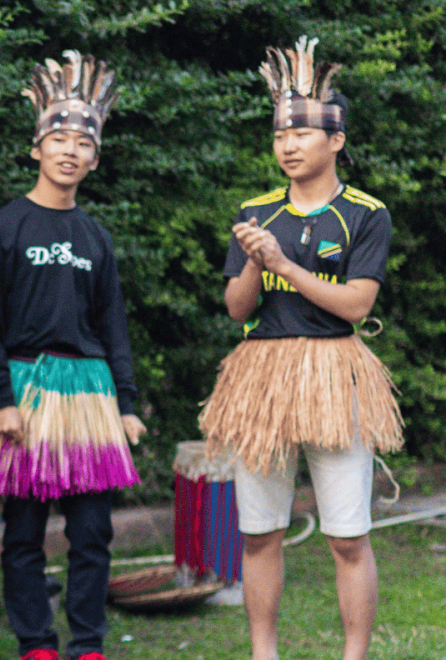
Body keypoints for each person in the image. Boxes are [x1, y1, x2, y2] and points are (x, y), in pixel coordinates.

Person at [200, 36, 401, 660]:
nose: (288, 145)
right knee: (259, 533)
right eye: (281, 134)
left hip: (334, 374)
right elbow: (237, 308)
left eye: (303, 134)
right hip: (262, 376)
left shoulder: (366, 214)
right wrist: (258, 262)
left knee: (347, 535)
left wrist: (282, 259)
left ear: (335, 140)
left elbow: (356, 305)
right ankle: (264, 653)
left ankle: (354, 655)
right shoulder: (256, 212)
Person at [0, 51, 145, 660]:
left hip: (90, 394)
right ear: (37, 147)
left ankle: (87, 643)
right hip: (25, 390)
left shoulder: (96, 237)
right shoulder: (2, 227)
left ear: (95, 157)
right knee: (24, 533)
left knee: (93, 531)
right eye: (58, 138)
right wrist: (0, 399)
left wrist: (128, 403)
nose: (70, 151)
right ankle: (36, 642)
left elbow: (113, 326)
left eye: (82, 143)